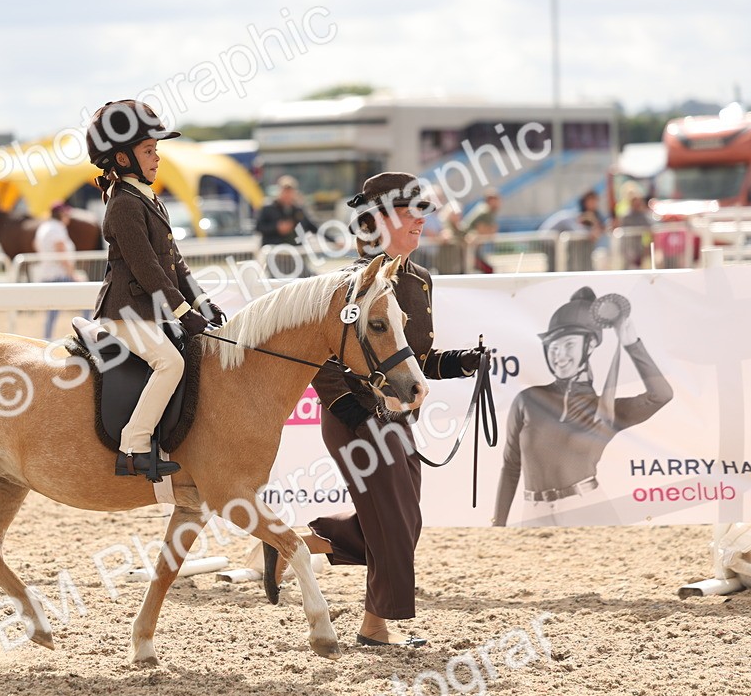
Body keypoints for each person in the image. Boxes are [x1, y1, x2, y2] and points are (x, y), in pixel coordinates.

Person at [262, 172, 482, 647]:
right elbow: (320, 357)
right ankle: (376, 627)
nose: (420, 220)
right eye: (409, 212)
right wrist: (347, 409)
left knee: (403, 522)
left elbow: (414, 362)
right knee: (394, 521)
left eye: (422, 211)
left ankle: (311, 542)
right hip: (356, 417)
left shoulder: (420, 282)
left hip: (401, 420)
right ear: (379, 221)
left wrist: (462, 363)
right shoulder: (347, 285)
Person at [87, 99, 226, 479]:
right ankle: (133, 446)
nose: (157, 157)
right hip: (124, 312)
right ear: (121, 159)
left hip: (147, 310)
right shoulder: (123, 208)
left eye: (156, 150)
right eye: (149, 150)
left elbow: (175, 262)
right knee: (170, 363)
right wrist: (184, 313)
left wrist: (202, 301)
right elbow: (148, 270)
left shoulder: (148, 200)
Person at [492, 287, 672, 527]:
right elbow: (511, 466)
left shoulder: (606, 409)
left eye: (568, 345)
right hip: (533, 512)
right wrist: (498, 524)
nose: (559, 355)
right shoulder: (527, 400)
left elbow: (661, 395)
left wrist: (631, 344)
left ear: (588, 346)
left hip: (587, 508)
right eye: (553, 347)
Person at [34, 201, 82, 339]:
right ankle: (89, 335)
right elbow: (61, 253)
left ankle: (47, 338)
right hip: (59, 275)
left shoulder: (45, 227)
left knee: (52, 312)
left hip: (48, 273)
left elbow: (35, 244)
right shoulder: (57, 229)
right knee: (87, 301)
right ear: (61, 214)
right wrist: (73, 274)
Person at [255, 175, 318, 278]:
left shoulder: (297, 210)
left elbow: (313, 227)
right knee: (275, 285)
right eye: (285, 191)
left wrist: (334, 240)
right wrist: (277, 227)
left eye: (290, 191)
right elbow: (259, 227)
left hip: (295, 257)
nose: (287, 195)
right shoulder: (268, 208)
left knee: (308, 281)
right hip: (274, 258)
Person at [460, 187, 501, 274]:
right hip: (467, 245)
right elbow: (481, 229)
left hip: (472, 246)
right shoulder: (485, 210)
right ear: (490, 200)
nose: (498, 203)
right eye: (496, 199)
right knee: (487, 270)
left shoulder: (484, 209)